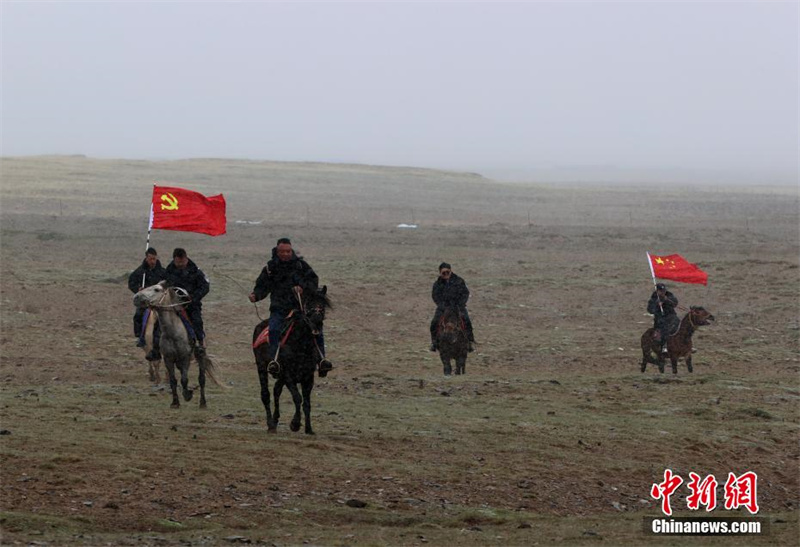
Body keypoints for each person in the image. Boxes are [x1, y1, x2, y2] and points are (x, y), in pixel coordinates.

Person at [249, 238, 333, 377]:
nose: (285, 254)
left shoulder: (301, 265)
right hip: (279, 309)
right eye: (282, 251)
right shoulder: (270, 269)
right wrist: (255, 296)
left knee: (316, 328)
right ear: (277, 251)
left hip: (300, 309)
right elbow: (262, 287)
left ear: (291, 250)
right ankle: (274, 361)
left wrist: (302, 288)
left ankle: (322, 360)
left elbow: (313, 281)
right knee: (274, 329)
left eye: (288, 251)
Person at [165, 248, 210, 357]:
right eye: (178, 262)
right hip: (172, 305)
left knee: (197, 321)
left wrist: (194, 297)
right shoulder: (168, 271)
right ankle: (155, 346)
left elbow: (205, 287)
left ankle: (200, 344)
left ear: (186, 258)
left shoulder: (196, 271)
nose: (180, 264)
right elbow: (163, 285)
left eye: (182, 262)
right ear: (174, 260)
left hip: (192, 305)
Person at [127, 247, 167, 360]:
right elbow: (131, 283)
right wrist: (138, 289)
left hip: (159, 303)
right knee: (138, 315)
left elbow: (168, 284)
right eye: (150, 259)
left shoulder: (162, 272)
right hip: (146, 302)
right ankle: (140, 337)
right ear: (146, 258)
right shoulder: (140, 272)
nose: (153, 261)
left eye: (154, 259)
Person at [430, 262, 475, 352]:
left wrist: (461, 304)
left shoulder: (459, 281)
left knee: (467, 321)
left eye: (448, 272)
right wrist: (442, 306)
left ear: (451, 271)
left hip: (458, 306)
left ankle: (469, 342)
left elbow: (465, 293)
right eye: (444, 273)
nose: (446, 274)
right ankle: (434, 342)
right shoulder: (437, 284)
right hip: (443, 308)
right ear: (440, 273)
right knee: (434, 323)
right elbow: (435, 296)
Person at [647, 282, 679, 353]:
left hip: (672, 317)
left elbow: (675, 303)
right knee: (664, 328)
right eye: (661, 291)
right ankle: (664, 345)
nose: (662, 292)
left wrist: (666, 300)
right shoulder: (653, 299)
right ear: (657, 291)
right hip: (660, 319)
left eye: (663, 291)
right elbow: (650, 310)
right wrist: (657, 304)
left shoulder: (669, 296)